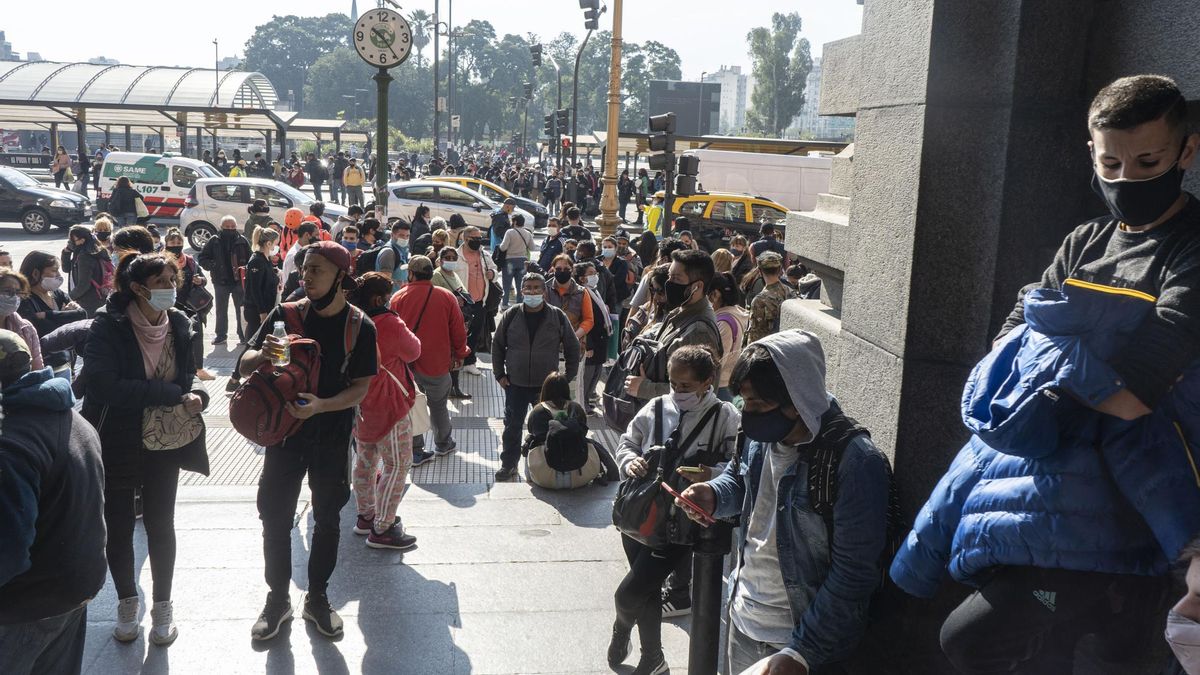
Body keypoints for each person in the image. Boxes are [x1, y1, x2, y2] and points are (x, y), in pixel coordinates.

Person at [890, 74, 1200, 675]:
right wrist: (1085, 367)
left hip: (1135, 514)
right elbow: (1008, 343)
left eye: (1148, 161)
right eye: (1111, 162)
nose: (1127, 179)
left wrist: (1056, 373)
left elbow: (1145, 381)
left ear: (1186, 152)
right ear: (1091, 152)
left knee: (983, 641)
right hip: (1040, 492)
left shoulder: (1191, 245)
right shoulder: (1084, 240)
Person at [674, 331, 892, 675]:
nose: (747, 415)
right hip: (743, 619)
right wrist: (714, 494)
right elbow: (740, 482)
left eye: (758, 405)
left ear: (796, 398)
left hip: (803, 644)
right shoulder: (757, 435)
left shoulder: (855, 462)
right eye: (744, 403)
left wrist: (800, 654)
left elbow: (854, 575)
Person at [239, 241, 377, 641]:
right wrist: (261, 355)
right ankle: (277, 598)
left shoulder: (359, 326)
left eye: (317, 269)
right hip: (283, 438)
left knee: (328, 519)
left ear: (340, 276)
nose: (307, 276)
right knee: (275, 518)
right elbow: (244, 364)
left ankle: (317, 597)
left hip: (331, 439)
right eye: (304, 269)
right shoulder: (284, 316)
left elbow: (362, 388)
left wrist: (322, 405)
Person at [83, 252, 212, 646]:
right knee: (119, 525)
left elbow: (191, 377)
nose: (172, 289)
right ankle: (126, 601)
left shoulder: (181, 323)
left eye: (174, 280)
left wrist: (198, 397)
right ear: (138, 288)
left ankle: (162, 606)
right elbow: (102, 385)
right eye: (162, 283)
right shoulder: (109, 325)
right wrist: (169, 393)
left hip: (166, 438)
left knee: (161, 523)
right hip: (117, 437)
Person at [609, 346, 740, 675]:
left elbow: (738, 465)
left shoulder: (724, 416)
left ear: (707, 382)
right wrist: (630, 461)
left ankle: (621, 629)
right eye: (672, 383)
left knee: (628, 594)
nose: (677, 392)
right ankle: (654, 658)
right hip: (640, 515)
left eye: (685, 385)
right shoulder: (655, 407)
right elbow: (628, 440)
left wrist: (711, 475)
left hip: (681, 524)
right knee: (646, 589)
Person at [0, 329, 106, 675]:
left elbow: (8, 552)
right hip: (74, 588)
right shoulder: (69, 416)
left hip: (27, 604)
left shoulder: (12, 444)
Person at [349, 272, 420, 550]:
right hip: (388, 403)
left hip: (360, 402)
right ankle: (383, 527)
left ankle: (366, 515)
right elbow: (414, 350)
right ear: (379, 298)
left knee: (365, 461)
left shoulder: (353, 320)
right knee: (397, 464)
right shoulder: (388, 322)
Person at [491, 272, 581, 481]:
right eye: (528, 288)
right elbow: (497, 345)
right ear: (521, 291)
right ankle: (509, 465)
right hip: (516, 384)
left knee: (548, 426)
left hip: (547, 387)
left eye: (536, 288)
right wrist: (499, 374)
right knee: (512, 426)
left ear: (544, 291)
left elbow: (572, 346)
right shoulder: (511, 315)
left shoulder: (557, 316)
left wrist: (568, 376)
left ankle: (550, 463)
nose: (532, 292)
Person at [390, 256, 470, 467]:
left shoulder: (398, 297)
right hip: (438, 363)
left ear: (411, 274)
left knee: (413, 405)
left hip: (408, 365)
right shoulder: (446, 296)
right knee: (438, 406)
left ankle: (416, 451)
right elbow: (458, 329)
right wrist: (460, 353)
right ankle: (443, 443)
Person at [625, 250, 722, 401]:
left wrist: (646, 388)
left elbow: (701, 391)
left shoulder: (699, 332)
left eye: (676, 279)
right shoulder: (681, 311)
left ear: (697, 286)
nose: (669, 284)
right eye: (669, 276)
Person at [17, 252, 81, 378]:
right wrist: (65, 315)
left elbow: (81, 315)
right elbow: (41, 330)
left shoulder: (57, 293)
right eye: (54, 271)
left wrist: (48, 315)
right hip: (43, 368)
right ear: (36, 273)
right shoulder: (24, 300)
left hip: (67, 361)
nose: (58, 276)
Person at [164, 229, 214, 381]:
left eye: (179, 243)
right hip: (170, 306)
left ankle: (199, 368)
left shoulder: (190, 261)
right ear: (166, 243)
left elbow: (203, 278)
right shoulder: (161, 261)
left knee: (197, 335)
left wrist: (200, 280)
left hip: (191, 305)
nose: (176, 246)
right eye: (172, 243)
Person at [198, 215, 251, 347]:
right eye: (227, 227)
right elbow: (202, 258)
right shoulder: (214, 240)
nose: (230, 229)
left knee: (241, 310)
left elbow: (250, 259)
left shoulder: (242, 241)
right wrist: (213, 265)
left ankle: (243, 335)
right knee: (221, 310)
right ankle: (221, 336)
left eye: (233, 227)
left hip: (238, 282)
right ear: (221, 227)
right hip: (220, 281)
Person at [458, 226, 498, 377]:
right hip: (462, 303)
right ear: (465, 239)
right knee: (458, 333)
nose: (478, 242)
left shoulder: (484, 255)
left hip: (480, 301)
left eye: (479, 238)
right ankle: (456, 360)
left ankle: (469, 362)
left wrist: (492, 273)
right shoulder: (456, 256)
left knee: (475, 333)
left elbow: (495, 270)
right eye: (474, 239)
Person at [575, 260, 611, 413]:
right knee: (587, 375)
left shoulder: (595, 291)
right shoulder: (582, 293)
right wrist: (588, 344)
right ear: (582, 278)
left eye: (595, 273)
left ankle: (588, 402)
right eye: (590, 273)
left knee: (596, 373)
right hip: (591, 341)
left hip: (601, 340)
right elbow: (584, 320)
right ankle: (581, 405)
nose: (594, 276)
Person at [707, 272, 749, 402]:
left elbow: (719, 361)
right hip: (728, 382)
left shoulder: (723, 323)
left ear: (715, 294)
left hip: (720, 387)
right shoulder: (737, 312)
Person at [746, 252, 797, 344]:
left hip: (768, 349)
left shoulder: (760, 300)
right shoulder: (791, 292)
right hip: (787, 345)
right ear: (780, 270)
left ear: (760, 271)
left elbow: (754, 336)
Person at [1, 269, 44, 373]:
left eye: (18, 292)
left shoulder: (26, 328)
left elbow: (37, 368)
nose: (14, 297)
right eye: (8, 291)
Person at [243, 226, 280, 345]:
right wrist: (262, 312)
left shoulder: (265, 259)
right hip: (256, 310)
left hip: (266, 306)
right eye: (275, 244)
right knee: (253, 342)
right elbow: (255, 289)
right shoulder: (257, 261)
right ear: (268, 243)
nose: (276, 247)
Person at [61, 225, 109, 315]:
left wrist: (68, 298)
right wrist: (66, 252)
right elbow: (66, 268)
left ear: (82, 240)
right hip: (99, 298)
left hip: (89, 302)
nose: (70, 242)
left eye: (72, 240)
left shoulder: (85, 256)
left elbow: (84, 285)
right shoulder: (94, 249)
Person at [499, 212, 534, 306]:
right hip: (523, 261)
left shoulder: (510, 232)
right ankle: (520, 304)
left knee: (507, 284)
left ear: (514, 222)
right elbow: (532, 248)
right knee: (521, 285)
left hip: (510, 261)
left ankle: (505, 303)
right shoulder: (528, 233)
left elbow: (503, 247)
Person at [376, 220, 411, 290]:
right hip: (391, 299)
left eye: (407, 236)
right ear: (392, 235)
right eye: (401, 235)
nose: (405, 239)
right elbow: (385, 283)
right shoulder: (389, 252)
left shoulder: (403, 250)